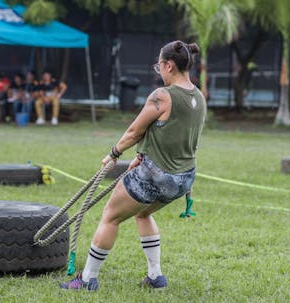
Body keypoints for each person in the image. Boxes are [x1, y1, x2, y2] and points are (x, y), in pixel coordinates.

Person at [60, 41, 206, 291]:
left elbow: (134, 131)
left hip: (155, 176)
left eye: (158, 65)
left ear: (169, 65)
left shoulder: (162, 95)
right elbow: (171, 134)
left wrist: (114, 154)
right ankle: (156, 277)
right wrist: (142, 156)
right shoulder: (199, 97)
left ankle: (87, 280)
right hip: (184, 179)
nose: (158, 70)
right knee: (143, 213)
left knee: (110, 217)